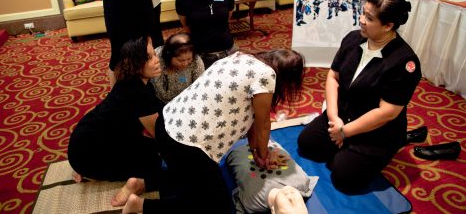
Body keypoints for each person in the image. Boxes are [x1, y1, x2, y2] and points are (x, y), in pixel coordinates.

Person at [113, 49, 306, 214]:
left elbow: (254, 122)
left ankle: (140, 183)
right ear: (287, 78)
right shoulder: (267, 76)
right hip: (187, 144)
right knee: (216, 207)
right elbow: (263, 124)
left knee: (187, 176)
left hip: (167, 125)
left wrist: (257, 152)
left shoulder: (240, 57)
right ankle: (140, 206)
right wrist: (263, 156)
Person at [297, 0, 422, 193]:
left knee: (343, 176)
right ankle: (344, 145)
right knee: (307, 144)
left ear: (389, 26)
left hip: (377, 131)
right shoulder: (353, 39)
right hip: (344, 115)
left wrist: (344, 132)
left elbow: (387, 113)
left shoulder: (404, 61)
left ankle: (388, 145)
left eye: (369, 18)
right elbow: (333, 76)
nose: (361, 20)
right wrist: (334, 117)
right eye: (363, 13)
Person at [67, 36, 164, 192]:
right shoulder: (138, 92)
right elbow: (159, 135)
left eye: (154, 54)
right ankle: (90, 170)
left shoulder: (134, 81)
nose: (157, 60)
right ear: (136, 64)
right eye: (149, 57)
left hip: (85, 143)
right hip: (86, 153)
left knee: (151, 149)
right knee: (158, 161)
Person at [151, 32, 205, 103]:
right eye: (180, 60)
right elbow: (158, 90)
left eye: (188, 59)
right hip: (161, 102)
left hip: (188, 100)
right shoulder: (157, 59)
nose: (185, 63)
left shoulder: (196, 61)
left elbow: (199, 85)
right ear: (169, 56)